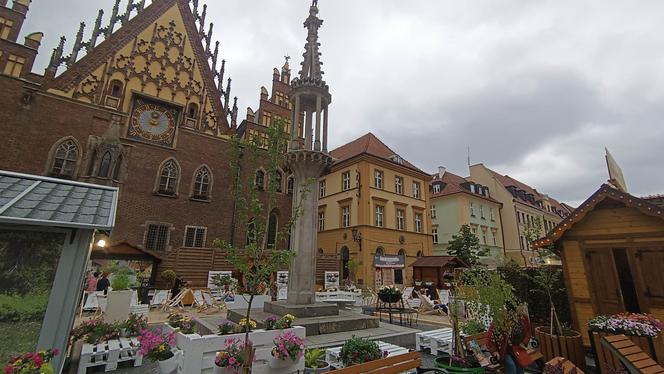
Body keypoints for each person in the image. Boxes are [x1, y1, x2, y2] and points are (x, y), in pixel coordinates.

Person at [487, 303, 532, 374]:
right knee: (511, 367)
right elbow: (491, 336)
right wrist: (494, 351)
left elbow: (528, 332)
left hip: (517, 349)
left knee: (520, 368)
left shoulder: (523, 318)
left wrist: (524, 342)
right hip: (504, 350)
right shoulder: (500, 319)